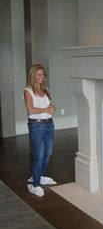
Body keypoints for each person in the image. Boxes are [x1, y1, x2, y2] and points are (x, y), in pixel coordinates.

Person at [24, 63, 57, 197]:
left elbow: (49, 105)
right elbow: (30, 110)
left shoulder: (46, 89)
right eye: (38, 74)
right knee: (39, 155)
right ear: (33, 75)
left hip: (49, 124)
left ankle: (41, 176)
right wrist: (46, 110)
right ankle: (35, 184)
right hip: (36, 125)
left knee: (48, 152)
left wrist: (52, 108)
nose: (41, 77)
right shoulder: (28, 91)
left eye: (43, 74)